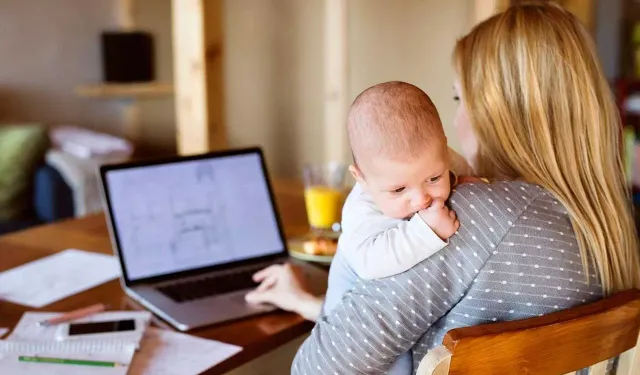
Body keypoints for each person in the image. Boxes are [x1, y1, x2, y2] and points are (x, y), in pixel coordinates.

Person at [287, 3, 640, 374]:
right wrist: (310, 303)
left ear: (498, 112)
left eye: (459, 99)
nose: (455, 121)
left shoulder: (472, 217)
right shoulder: (610, 225)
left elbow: (318, 367)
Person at [341, 81, 473, 283]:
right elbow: (369, 264)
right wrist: (428, 230)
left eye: (434, 178)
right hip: (347, 297)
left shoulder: (438, 157)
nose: (421, 199)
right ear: (362, 179)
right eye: (399, 189)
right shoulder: (361, 210)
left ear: (444, 151)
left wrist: (474, 181)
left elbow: (465, 170)